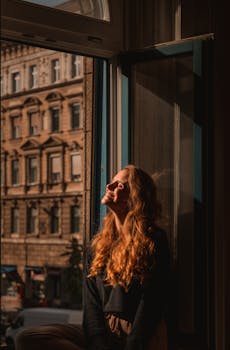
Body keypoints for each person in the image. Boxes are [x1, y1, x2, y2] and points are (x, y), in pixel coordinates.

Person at [16, 164, 170, 350]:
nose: (109, 187)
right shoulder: (98, 246)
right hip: (103, 329)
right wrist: (97, 342)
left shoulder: (153, 239)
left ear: (135, 195)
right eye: (111, 182)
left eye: (119, 184)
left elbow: (153, 300)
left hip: (140, 330)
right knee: (28, 338)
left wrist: (133, 343)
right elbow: (91, 304)